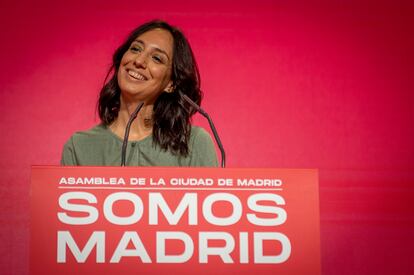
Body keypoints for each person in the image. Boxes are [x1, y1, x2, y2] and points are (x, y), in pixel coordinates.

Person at [61, 20, 218, 167]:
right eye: (135, 49)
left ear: (171, 84)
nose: (139, 61)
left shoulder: (194, 144)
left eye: (157, 58)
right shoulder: (79, 147)